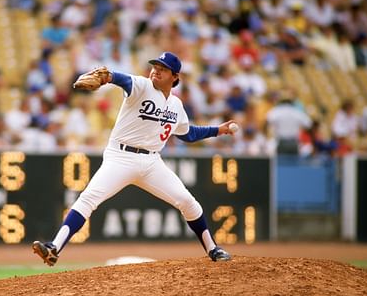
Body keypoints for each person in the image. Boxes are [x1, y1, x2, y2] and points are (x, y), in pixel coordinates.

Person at [33, 52, 235, 266]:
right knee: (88, 199)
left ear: (175, 77)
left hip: (151, 163)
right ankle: (54, 247)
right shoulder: (142, 85)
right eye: (155, 66)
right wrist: (107, 76)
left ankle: (213, 249)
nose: (156, 70)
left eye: (163, 68)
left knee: (188, 202)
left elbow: (188, 134)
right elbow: (122, 79)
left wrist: (217, 130)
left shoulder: (176, 105)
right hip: (120, 157)